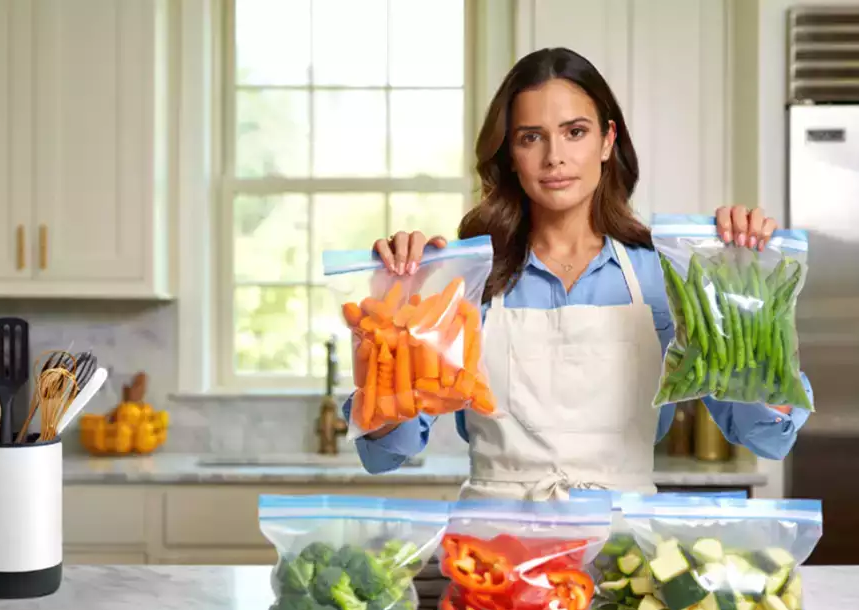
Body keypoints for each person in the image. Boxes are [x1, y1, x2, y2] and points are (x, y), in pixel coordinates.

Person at [343, 47, 813, 500]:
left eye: (575, 132)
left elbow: (767, 437)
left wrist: (739, 285)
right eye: (531, 137)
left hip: (624, 552)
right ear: (509, 153)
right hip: (494, 555)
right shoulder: (467, 280)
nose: (554, 157)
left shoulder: (665, 275)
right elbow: (386, 451)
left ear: (608, 141)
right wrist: (398, 307)